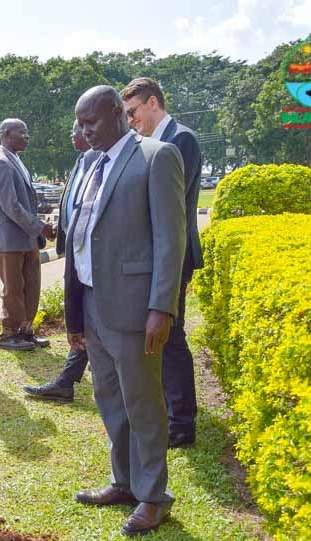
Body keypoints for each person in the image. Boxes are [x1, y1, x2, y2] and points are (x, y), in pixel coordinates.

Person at [67, 85, 186, 537]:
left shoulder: (157, 157)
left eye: (91, 122)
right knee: (110, 399)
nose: (84, 131)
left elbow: (169, 239)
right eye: (80, 123)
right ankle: (124, 482)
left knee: (143, 402)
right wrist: (75, 306)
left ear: (119, 114)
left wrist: (162, 306)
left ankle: (154, 496)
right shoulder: (89, 163)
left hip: (136, 308)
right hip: (94, 302)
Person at [121, 77, 203, 448]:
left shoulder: (180, 140)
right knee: (161, 337)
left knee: (171, 336)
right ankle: (172, 410)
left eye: (133, 112)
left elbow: (167, 204)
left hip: (174, 253)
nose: (131, 120)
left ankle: (182, 423)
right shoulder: (153, 141)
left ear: (153, 103)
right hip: (152, 254)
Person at [24, 120, 99, 401]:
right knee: (86, 320)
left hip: (88, 255)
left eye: (76, 130)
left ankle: (66, 380)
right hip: (75, 250)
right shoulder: (82, 160)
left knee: (88, 319)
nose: (72, 135)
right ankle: (66, 380)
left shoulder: (95, 160)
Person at [0, 118, 57, 352]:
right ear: (6, 134)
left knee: (32, 286)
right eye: (22, 132)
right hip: (8, 241)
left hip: (26, 239)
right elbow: (11, 206)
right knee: (14, 289)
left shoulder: (15, 160)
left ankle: (26, 331)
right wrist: (40, 227)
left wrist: (37, 230)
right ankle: (9, 334)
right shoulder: (0, 163)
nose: (26, 137)